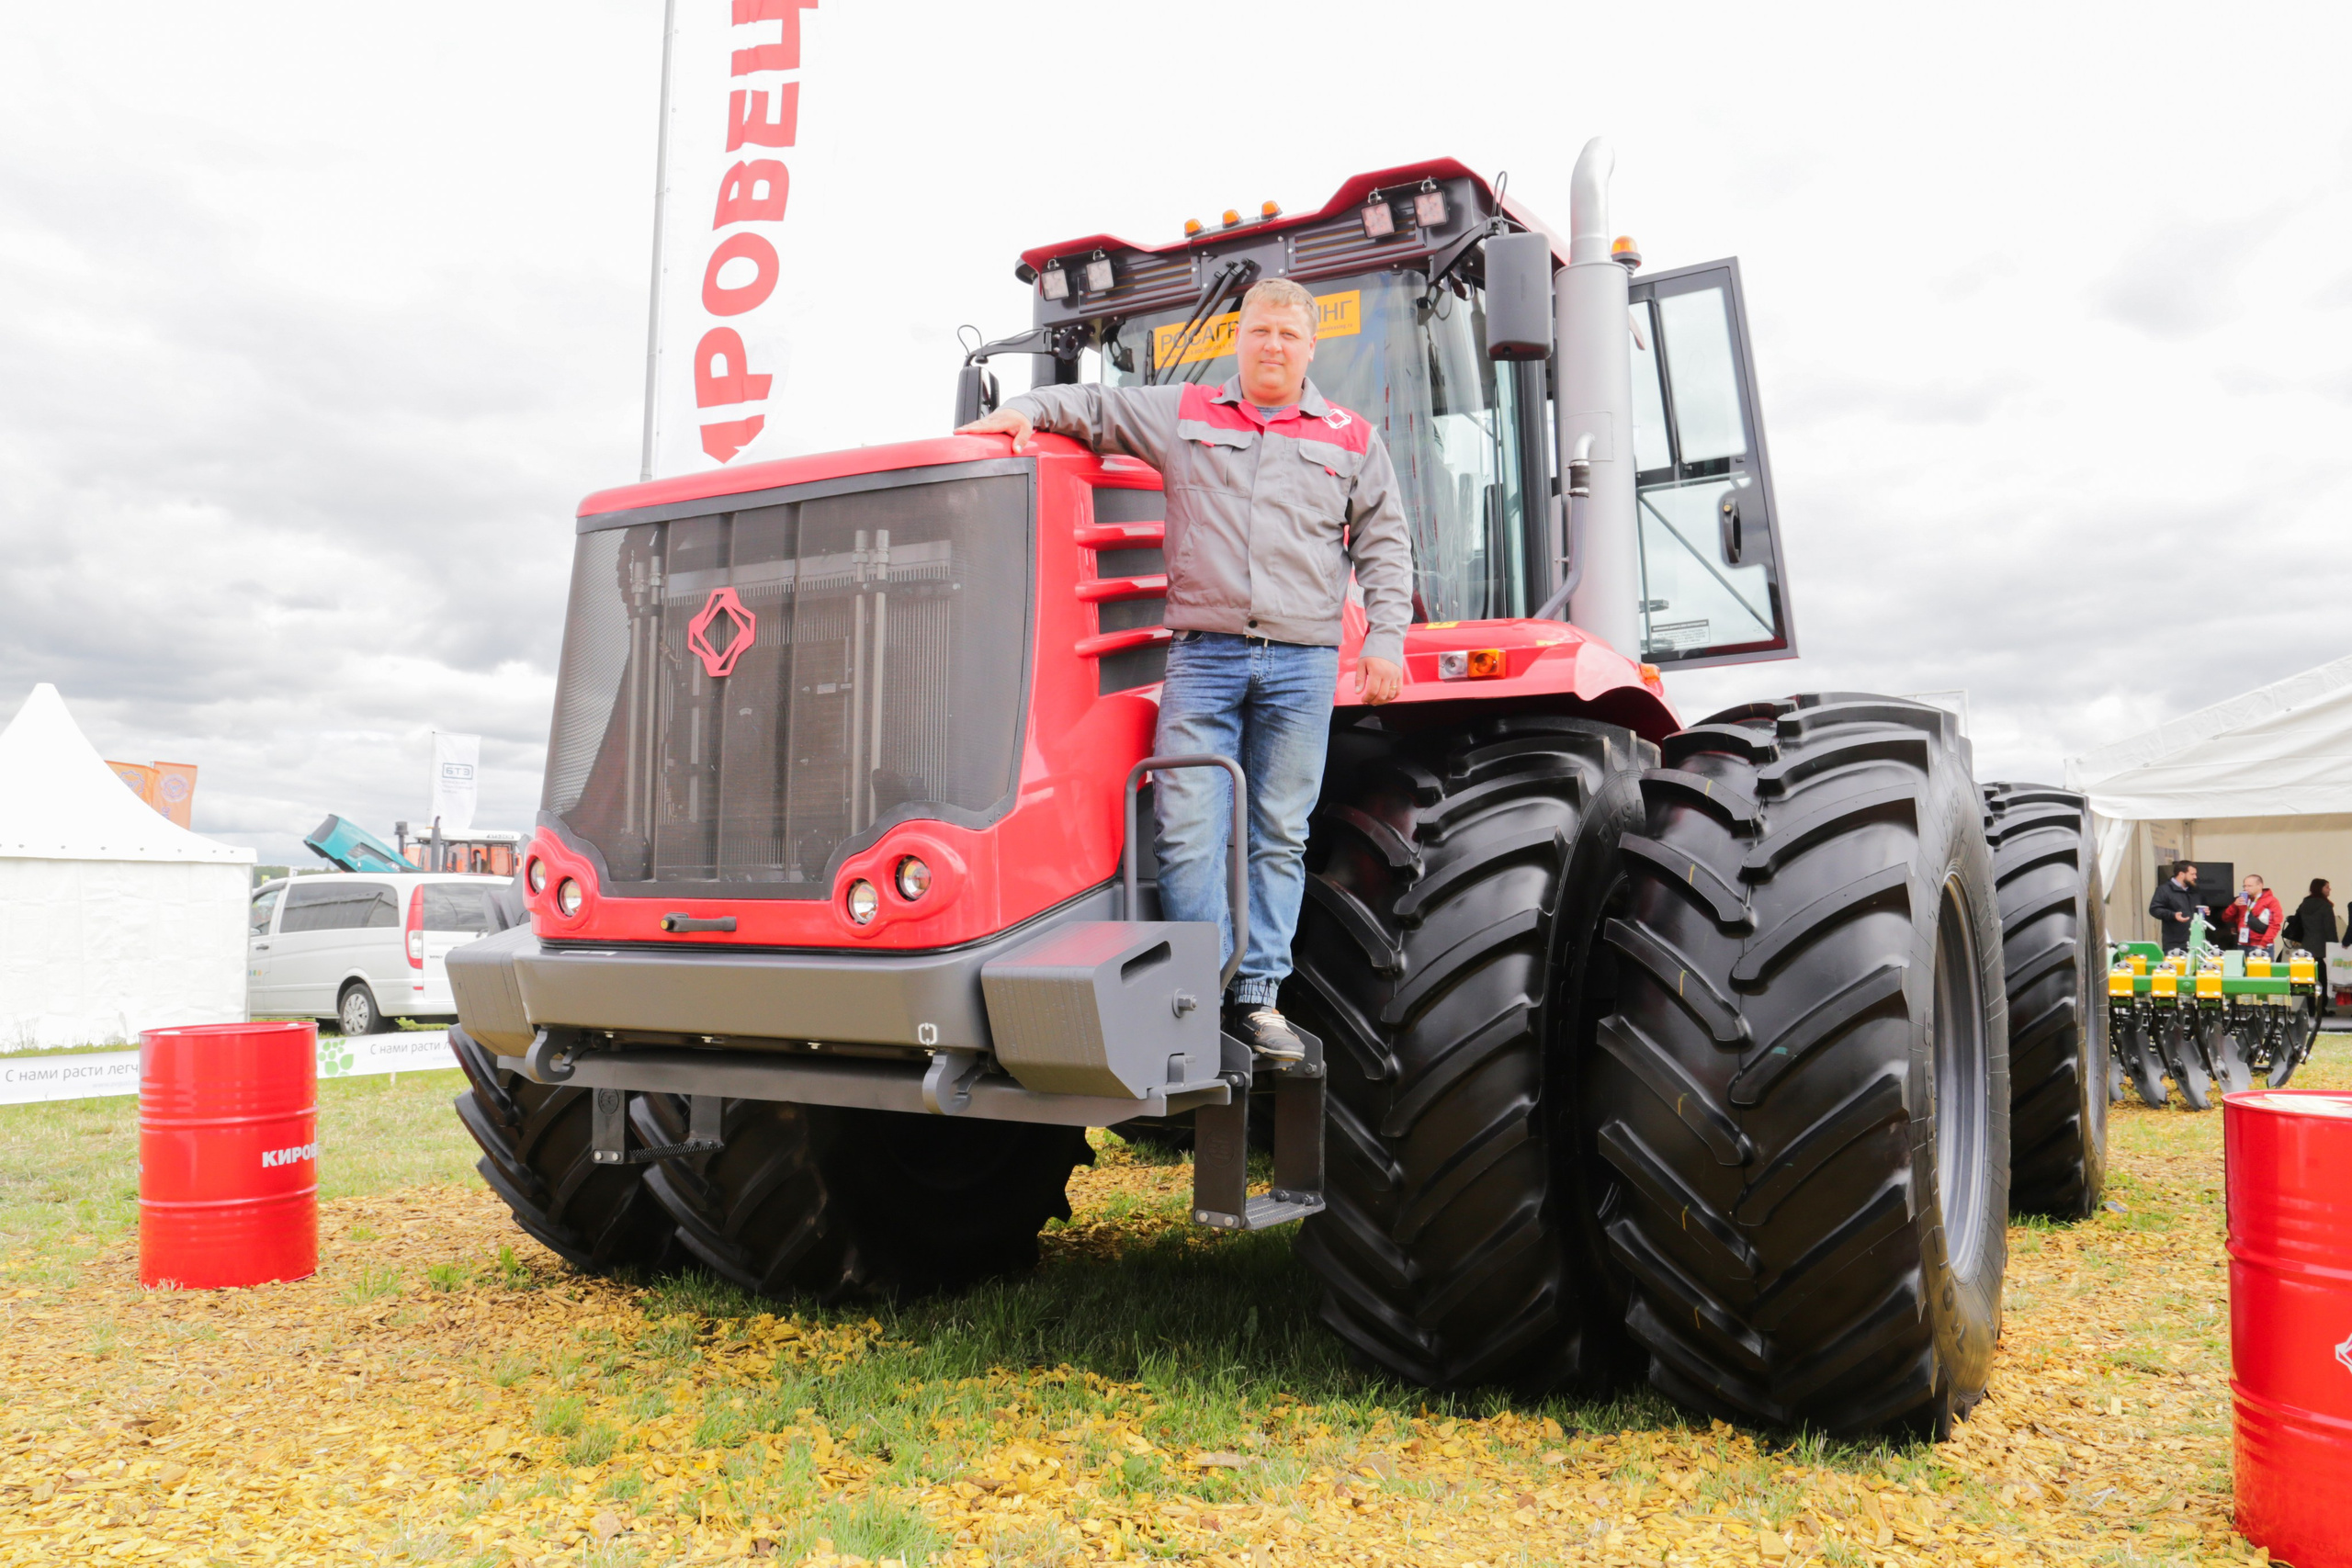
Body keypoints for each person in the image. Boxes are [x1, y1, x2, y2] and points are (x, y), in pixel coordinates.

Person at [956, 277, 1412, 1062]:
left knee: (1279, 833)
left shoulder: (1351, 436)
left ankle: (1258, 996)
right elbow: (1095, 410)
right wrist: (1028, 412)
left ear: (1310, 347)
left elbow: (1385, 544)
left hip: (1303, 663)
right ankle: (1202, 992)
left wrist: (1388, 641)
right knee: (1186, 828)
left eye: (1287, 335)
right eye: (1260, 331)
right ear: (1240, 338)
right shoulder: (1186, 412)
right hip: (1204, 656)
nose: (1272, 345)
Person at [2294, 878, 2336, 1018]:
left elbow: (2298, 923)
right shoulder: (2325, 906)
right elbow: (2330, 929)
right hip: (2321, 947)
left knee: (2308, 980)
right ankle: (2321, 1008)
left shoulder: (2304, 904)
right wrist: (2334, 946)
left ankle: (2311, 1009)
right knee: (2322, 979)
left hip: (2306, 946)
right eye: (2327, 887)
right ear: (2320, 888)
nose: (2329, 889)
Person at [2148, 861, 2205, 953]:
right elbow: (2154, 909)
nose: (2195, 877)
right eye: (2192, 874)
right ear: (2181, 874)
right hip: (2174, 943)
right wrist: (2173, 915)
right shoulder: (2164, 890)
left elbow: (2197, 907)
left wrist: (2204, 910)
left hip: (2196, 941)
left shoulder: (2195, 890)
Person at [2229, 874, 2284, 953]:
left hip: (2261, 945)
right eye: (2244, 886)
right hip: (2242, 943)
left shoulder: (2271, 901)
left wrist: (2263, 944)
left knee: (2260, 966)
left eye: (2249, 886)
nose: (2246, 889)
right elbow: (2226, 918)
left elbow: (2275, 925)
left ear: (2260, 885)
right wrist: (2234, 905)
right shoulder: (2242, 900)